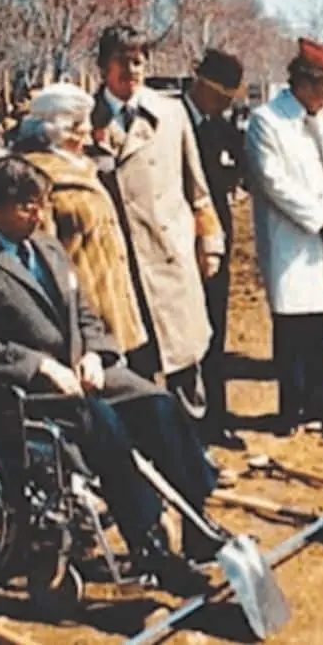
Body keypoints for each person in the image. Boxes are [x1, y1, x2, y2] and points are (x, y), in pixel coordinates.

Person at [0, 156, 222, 593]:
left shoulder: (47, 248)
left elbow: (84, 313)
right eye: (27, 206)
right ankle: (150, 547)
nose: (39, 214)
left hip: (82, 370)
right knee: (103, 424)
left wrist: (96, 352)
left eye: (40, 204)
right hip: (15, 390)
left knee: (158, 406)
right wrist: (38, 366)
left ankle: (196, 520)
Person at [89, 25, 225, 428]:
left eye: (139, 60)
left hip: (170, 261)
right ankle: (152, 461)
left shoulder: (171, 112)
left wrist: (210, 244)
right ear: (102, 67)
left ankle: (195, 451)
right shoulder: (84, 120)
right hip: (117, 270)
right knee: (136, 370)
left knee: (185, 361)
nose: (132, 69)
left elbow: (198, 189)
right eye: (122, 61)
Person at [244, 37, 323, 435]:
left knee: (319, 328)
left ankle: (321, 405)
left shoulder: (321, 121)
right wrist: (321, 218)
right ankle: (290, 411)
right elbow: (273, 182)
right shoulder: (267, 121)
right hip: (291, 241)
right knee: (292, 330)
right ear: (304, 84)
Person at [16, 82, 149, 357]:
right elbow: (41, 259)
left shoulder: (85, 169)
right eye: (81, 123)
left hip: (113, 304)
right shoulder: (38, 177)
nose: (88, 131)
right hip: (81, 318)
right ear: (63, 129)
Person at [181, 49, 248, 448]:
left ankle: (215, 419)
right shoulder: (174, 121)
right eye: (221, 95)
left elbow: (234, 175)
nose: (225, 105)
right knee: (186, 336)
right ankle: (189, 422)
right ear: (202, 85)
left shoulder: (223, 129)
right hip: (181, 245)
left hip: (217, 245)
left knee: (215, 332)